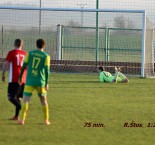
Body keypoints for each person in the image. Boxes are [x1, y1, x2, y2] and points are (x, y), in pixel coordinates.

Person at [18, 39, 50, 125]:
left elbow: (23, 66)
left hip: (30, 81)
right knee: (43, 101)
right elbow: (47, 71)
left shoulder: (30, 53)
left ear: (36, 45)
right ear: (44, 46)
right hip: (40, 82)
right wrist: (47, 83)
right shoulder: (46, 56)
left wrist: (20, 77)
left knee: (25, 100)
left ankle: (22, 120)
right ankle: (46, 120)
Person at [1, 39, 27, 120]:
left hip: (14, 79)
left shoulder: (12, 52)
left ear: (14, 44)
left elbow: (6, 64)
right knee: (18, 98)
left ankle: (22, 108)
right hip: (23, 79)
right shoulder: (25, 54)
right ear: (21, 45)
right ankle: (16, 116)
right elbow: (27, 67)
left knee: (10, 97)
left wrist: (3, 74)